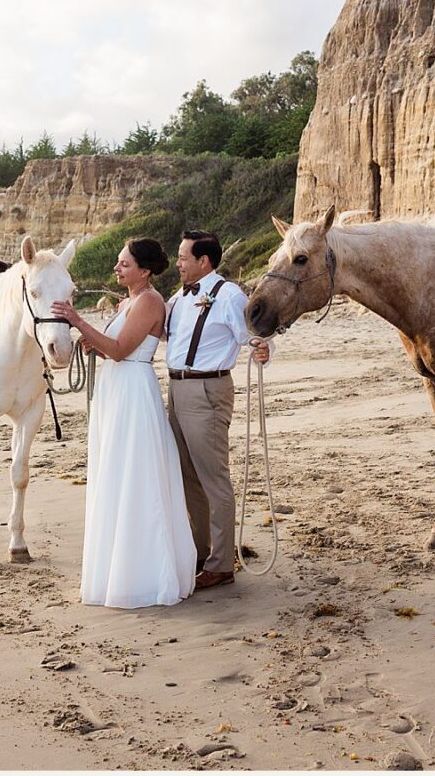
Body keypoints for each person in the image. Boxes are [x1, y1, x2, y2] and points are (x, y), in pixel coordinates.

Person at [51, 238, 196, 608]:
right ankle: (117, 569)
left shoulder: (149, 301)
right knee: (116, 472)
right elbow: (112, 347)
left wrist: (78, 321)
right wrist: (93, 342)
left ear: (144, 271)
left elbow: (121, 351)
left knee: (136, 475)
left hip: (132, 390)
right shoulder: (129, 302)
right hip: (116, 391)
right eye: (118, 263)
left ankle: (142, 575)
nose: (117, 269)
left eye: (124, 264)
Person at [164, 230, 272, 590]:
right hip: (177, 389)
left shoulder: (228, 295)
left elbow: (254, 334)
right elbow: (164, 331)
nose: (177, 263)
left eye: (182, 257)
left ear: (203, 261)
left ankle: (222, 563)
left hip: (207, 389)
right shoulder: (179, 297)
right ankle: (200, 551)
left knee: (213, 476)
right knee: (188, 474)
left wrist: (263, 349)